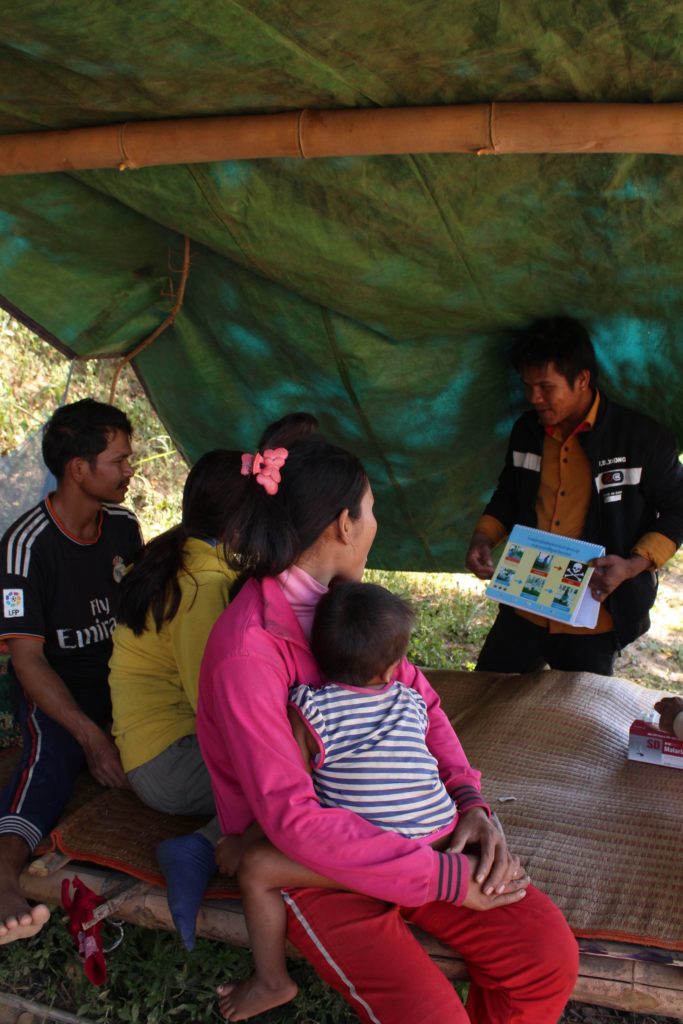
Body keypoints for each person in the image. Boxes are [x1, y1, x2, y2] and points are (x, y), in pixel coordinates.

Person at [195, 434, 578, 1023]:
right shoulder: (248, 651)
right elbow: (294, 822)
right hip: (311, 862)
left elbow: (425, 708)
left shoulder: (347, 606)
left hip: (413, 835)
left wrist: (470, 801)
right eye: (371, 510)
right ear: (343, 526)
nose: (376, 523)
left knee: (546, 957)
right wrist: (442, 878)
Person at [216, 581, 529, 1021]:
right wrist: (471, 804)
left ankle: (271, 980)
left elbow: (287, 800)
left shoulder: (308, 711)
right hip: (441, 838)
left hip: (372, 852)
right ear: (392, 669)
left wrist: (240, 844)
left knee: (255, 868)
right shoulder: (412, 699)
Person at [466, 317, 683, 676]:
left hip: (595, 615)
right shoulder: (527, 432)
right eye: (527, 386)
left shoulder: (641, 439)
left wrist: (632, 566)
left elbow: (679, 508)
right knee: (487, 697)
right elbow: (508, 492)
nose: (534, 398)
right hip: (525, 605)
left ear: (582, 379)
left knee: (581, 720)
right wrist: (483, 536)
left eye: (546, 387)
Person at [0, 399, 141, 943]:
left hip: (125, 682)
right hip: (58, 691)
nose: (130, 471)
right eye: (120, 460)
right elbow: (27, 659)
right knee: (51, 759)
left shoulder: (124, 528)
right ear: (79, 468)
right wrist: (90, 736)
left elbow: (144, 619)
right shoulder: (24, 548)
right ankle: (4, 872)